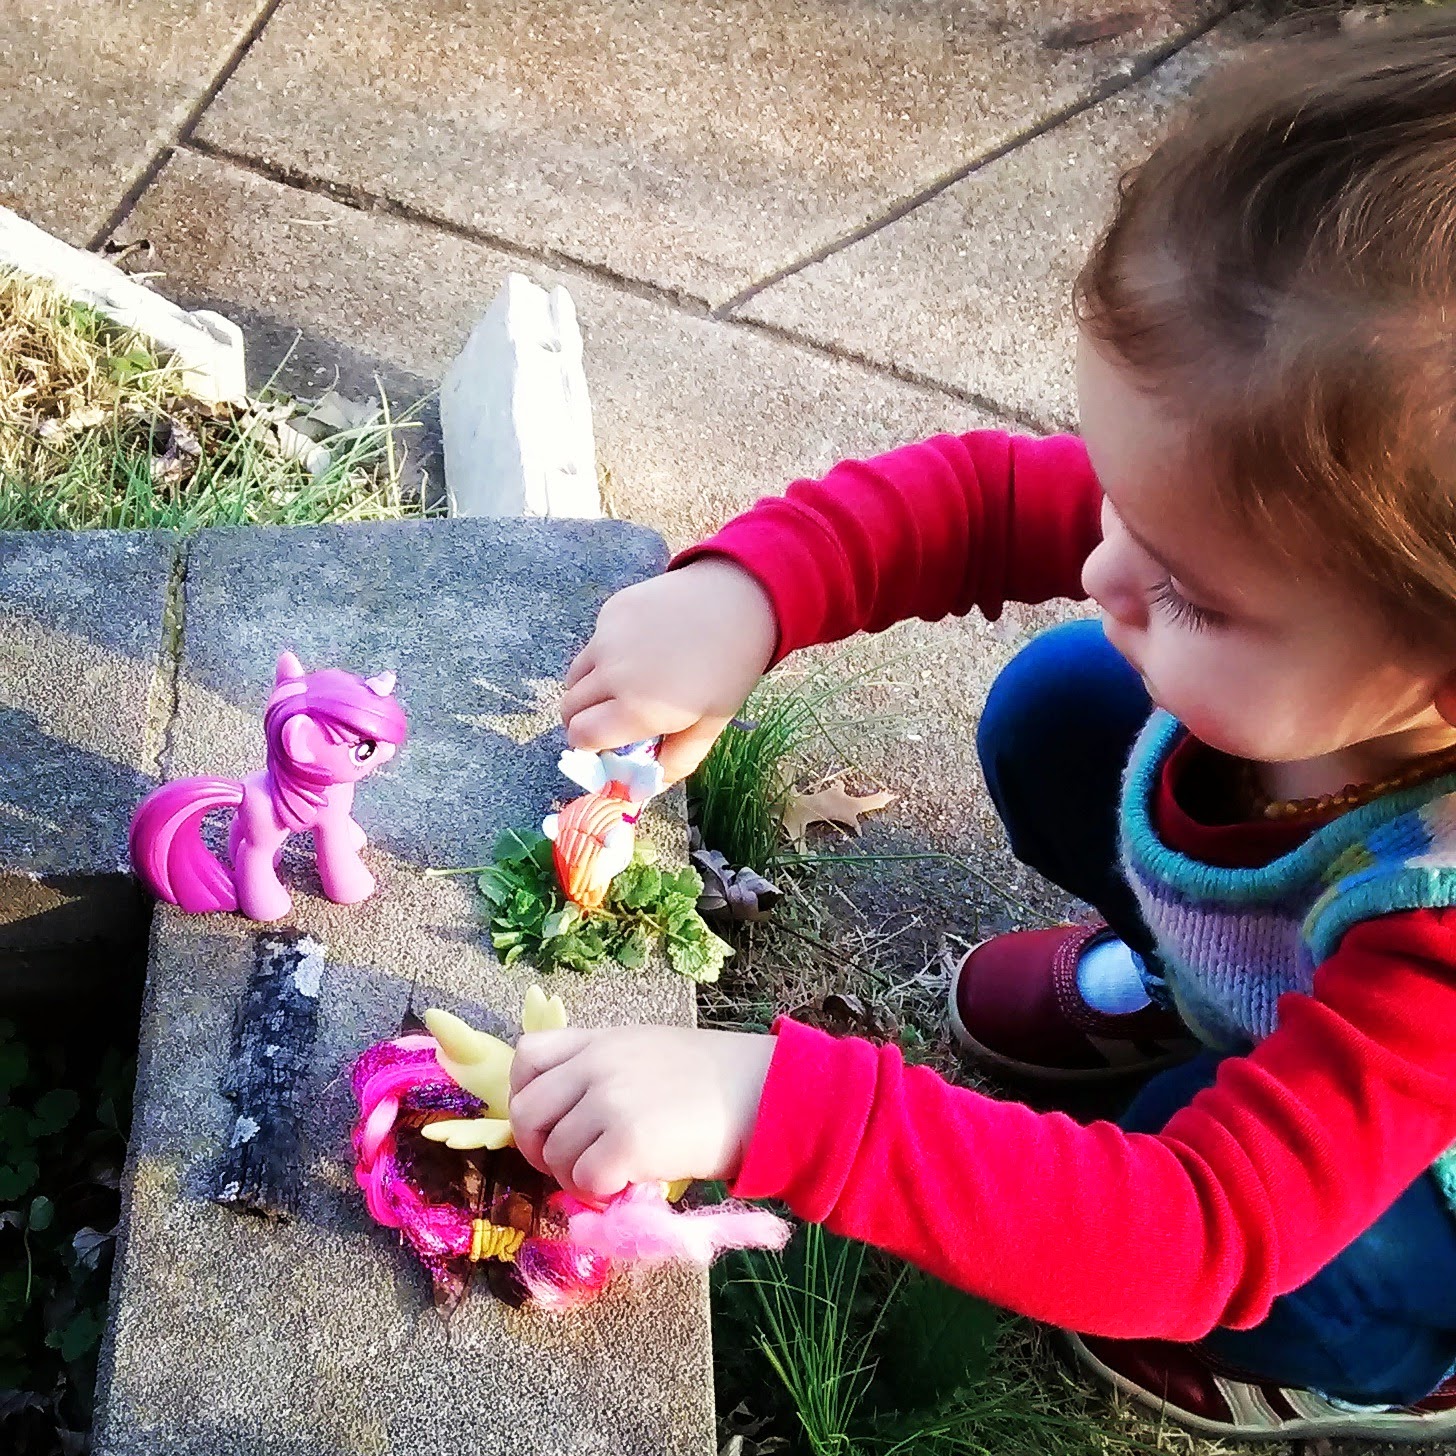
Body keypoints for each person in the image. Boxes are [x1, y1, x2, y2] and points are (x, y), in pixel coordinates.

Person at [508, 15, 1456, 1441]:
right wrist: (747, 597)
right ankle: (1193, 984)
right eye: (1125, 506)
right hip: (1306, 964)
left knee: (1218, 1208)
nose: (1102, 564)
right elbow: (983, 496)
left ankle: (1399, 1360)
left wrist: (781, 1108)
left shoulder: (1436, 935)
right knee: (1063, 702)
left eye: (1190, 592)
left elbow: (1199, 1226)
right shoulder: (1310, 557)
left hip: (1418, 1179)